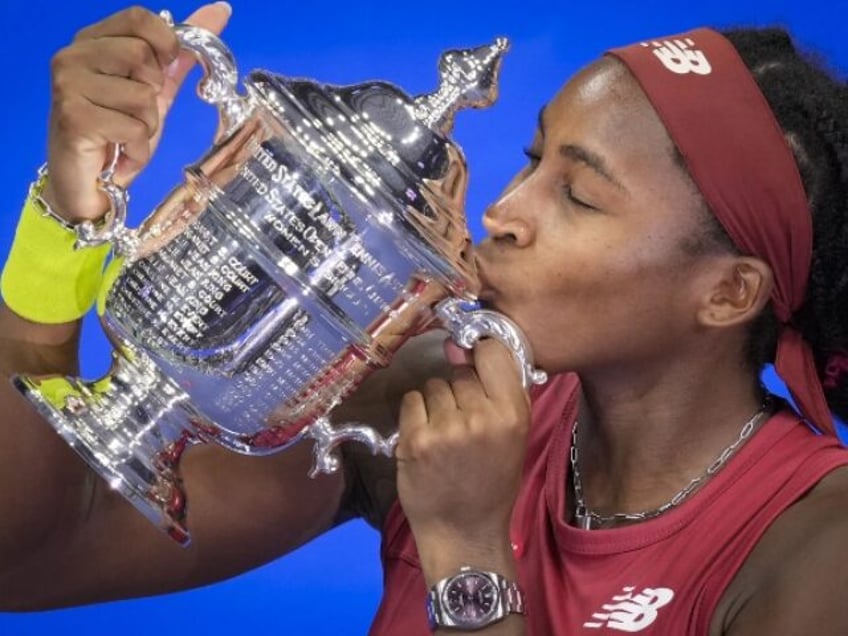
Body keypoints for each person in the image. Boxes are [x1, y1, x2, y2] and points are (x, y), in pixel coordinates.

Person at [2, 3, 848, 634]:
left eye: (582, 196)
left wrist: (469, 551)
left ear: (729, 293)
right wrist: (67, 226)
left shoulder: (818, 542)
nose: (505, 212)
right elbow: (29, 557)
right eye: (531, 159)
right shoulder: (435, 396)